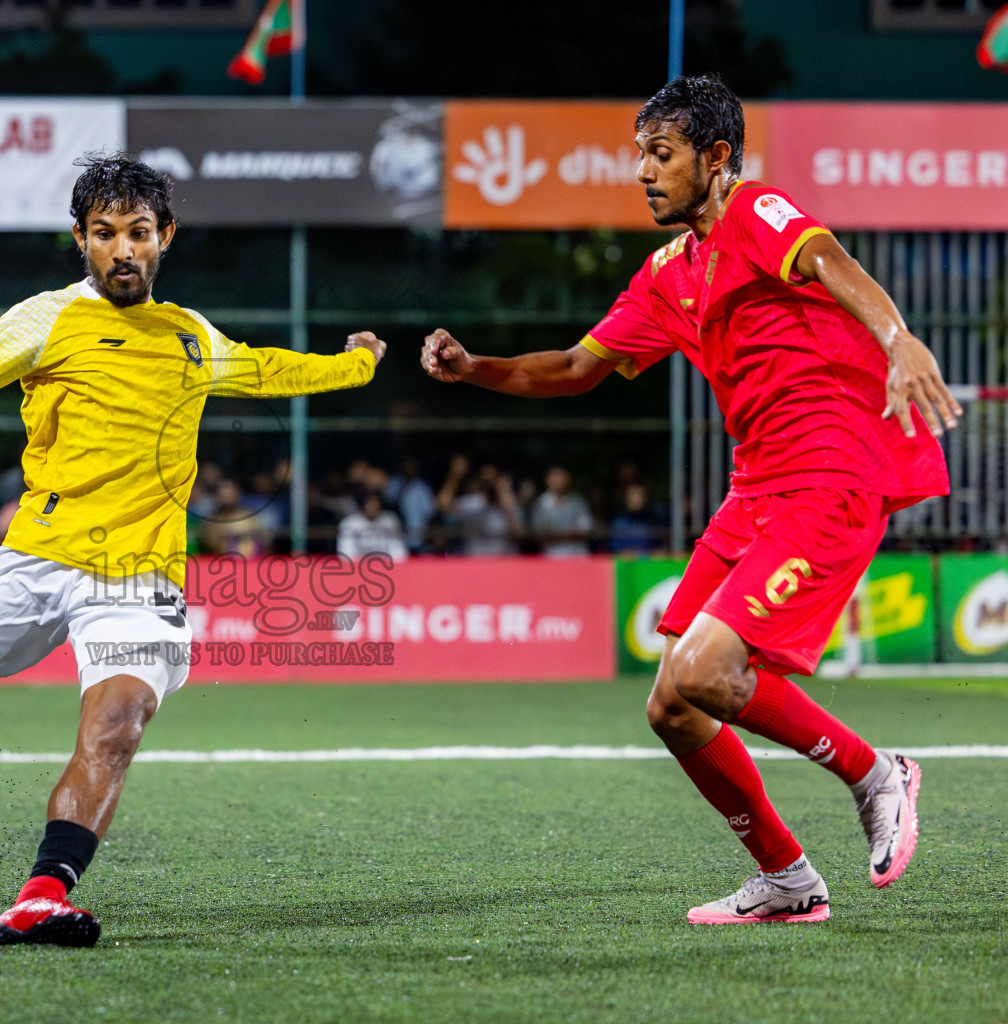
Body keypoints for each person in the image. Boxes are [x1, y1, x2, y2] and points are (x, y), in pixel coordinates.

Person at [0, 153, 385, 947]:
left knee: (118, 721)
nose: (122, 250)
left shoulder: (190, 337)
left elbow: (269, 371)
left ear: (165, 236)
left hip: (138, 576)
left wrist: (356, 364)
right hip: (37, 558)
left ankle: (41, 895)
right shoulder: (46, 320)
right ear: (80, 240)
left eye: (137, 233)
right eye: (104, 234)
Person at [421, 74, 955, 924]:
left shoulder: (753, 212)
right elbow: (574, 369)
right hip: (756, 492)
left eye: (660, 154)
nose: (643, 171)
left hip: (830, 473)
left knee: (708, 670)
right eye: (640, 154)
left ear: (716, 158)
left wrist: (899, 339)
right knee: (672, 701)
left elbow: (829, 259)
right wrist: (475, 368)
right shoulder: (672, 271)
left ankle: (876, 774)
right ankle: (787, 879)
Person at [529, 466, 594, 557]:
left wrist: (553, 537)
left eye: (561, 478)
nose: (557, 482)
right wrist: (569, 536)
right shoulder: (540, 503)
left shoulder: (578, 502)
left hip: (577, 555)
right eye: (554, 478)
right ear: (547, 480)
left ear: (568, 480)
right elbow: (539, 534)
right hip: (551, 556)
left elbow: (584, 529)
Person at [335, 492, 409, 561]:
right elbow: (346, 552)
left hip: (386, 564)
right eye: (370, 504)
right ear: (363, 505)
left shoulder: (390, 520)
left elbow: (398, 549)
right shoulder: (350, 523)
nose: (373, 507)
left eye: (376, 503)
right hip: (357, 566)